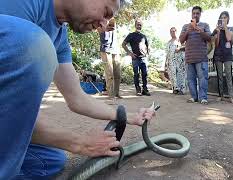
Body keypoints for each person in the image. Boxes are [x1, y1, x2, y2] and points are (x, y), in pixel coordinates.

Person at [0, 0, 156, 179]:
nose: (103, 24)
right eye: (105, 12)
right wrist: (80, 144)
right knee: (31, 42)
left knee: (49, 160)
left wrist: (127, 117)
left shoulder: (59, 36)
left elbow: (77, 98)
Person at [179, 6, 211, 105]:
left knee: (203, 79)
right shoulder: (185, 26)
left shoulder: (205, 25)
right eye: (194, 13)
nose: (195, 15)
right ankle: (194, 97)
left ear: (200, 14)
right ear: (191, 14)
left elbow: (209, 38)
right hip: (189, 58)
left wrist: (199, 30)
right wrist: (188, 31)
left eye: (197, 13)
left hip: (201, 57)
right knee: (190, 79)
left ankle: (203, 98)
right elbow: (181, 40)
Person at [212, 11, 233, 104]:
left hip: (228, 55)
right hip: (218, 55)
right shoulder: (217, 29)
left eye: (225, 17)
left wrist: (225, 27)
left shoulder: (231, 28)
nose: (223, 19)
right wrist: (217, 33)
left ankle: (231, 97)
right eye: (222, 17)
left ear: (228, 19)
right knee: (220, 76)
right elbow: (216, 44)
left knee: (229, 76)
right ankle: (220, 95)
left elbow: (229, 38)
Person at [122, 19, 151, 96]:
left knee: (144, 74)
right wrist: (130, 53)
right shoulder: (131, 35)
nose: (139, 26)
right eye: (138, 24)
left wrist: (147, 54)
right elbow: (123, 44)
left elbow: (147, 46)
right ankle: (138, 89)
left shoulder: (143, 36)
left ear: (142, 26)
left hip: (143, 58)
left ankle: (145, 89)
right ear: (135, 25)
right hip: (135, 58)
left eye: (140, 25)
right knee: (136, 74)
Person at [99, 18, 122, 98]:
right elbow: (103, 39)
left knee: (118, 74)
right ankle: (111, 94)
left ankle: (116, 93)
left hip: (116, 49)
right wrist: (105, 28)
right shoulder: (100, 22)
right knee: (109, 73)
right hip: (105, 49)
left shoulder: (113, 20)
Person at [165, 27, 186, 95]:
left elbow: (186, 47)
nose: (173, 32)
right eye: (171, 31)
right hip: (171, 60)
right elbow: (167, 53)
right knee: (172, 74)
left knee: (180, 74)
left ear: (176, 32)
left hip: (179, 60)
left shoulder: (180, 40)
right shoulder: (169, 42)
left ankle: (181, 89)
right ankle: (175, 88)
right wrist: (166, 62)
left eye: (174, 31)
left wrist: (180, 48)